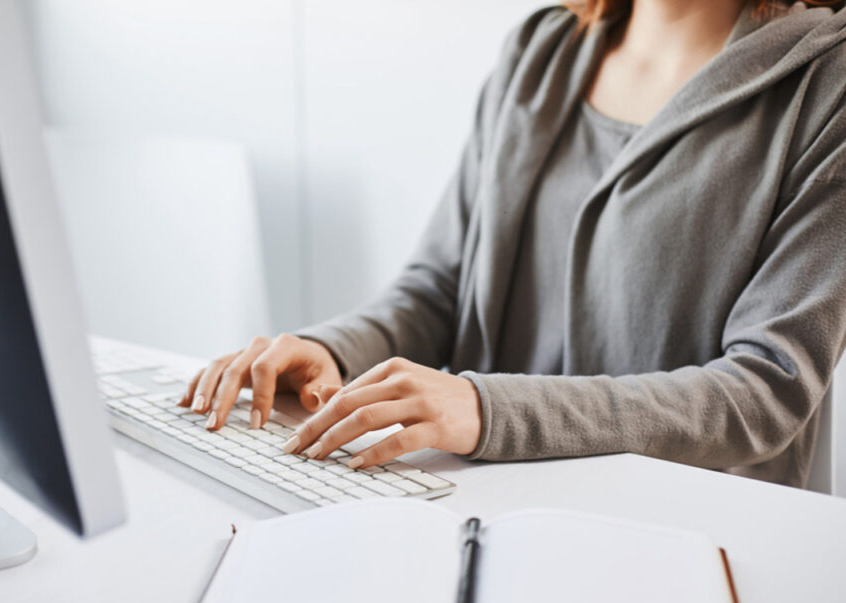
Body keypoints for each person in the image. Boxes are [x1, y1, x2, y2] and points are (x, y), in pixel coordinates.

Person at [182, 0, 846, 487]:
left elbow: (766, 388)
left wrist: (485, 408)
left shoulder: (827, 88)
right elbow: (441, 287)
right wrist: (332, 350)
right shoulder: (541, 50)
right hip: (480, 502)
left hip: (690, 538)